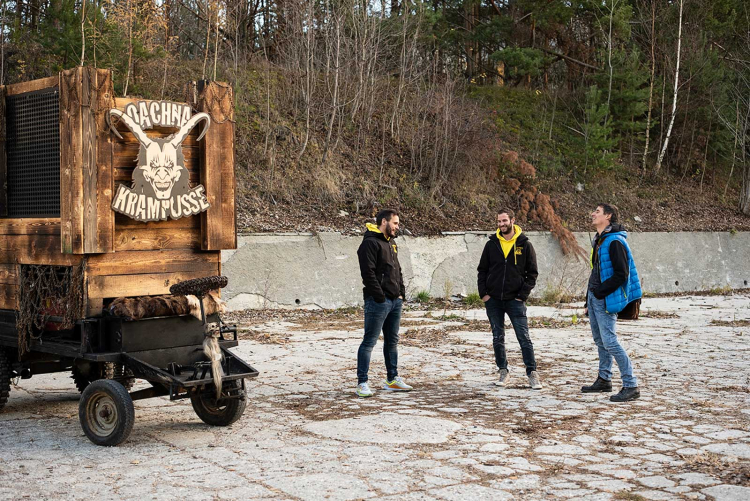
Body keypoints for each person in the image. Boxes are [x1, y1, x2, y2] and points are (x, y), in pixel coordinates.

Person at [582, 203, 642, 402]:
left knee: (610, 341)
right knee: (600, 340)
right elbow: (596, 271)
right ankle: (604, 379)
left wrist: (600, 292)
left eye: (597, 212)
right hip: (594, 296)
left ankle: (631, 384)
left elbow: (621, 274)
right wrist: (588, 299)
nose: (593, 214)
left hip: (604, 297)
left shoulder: (614, 241)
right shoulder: (600, 240)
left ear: (608, 216)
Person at [477, 208, 542, 390]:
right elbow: (482, 270)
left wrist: (522, 295)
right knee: (498, 337)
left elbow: (533, 273)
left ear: (513, 220)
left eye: (504, 221)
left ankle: (532, 373)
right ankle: (503, 370)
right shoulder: (491, 244)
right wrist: (484, 294)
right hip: (494, 300)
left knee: (524, 338)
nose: (501, 224)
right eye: (499, 221)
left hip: (515, 300)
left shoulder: (525, 244)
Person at [355, 209, 412, 397]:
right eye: (395, 223)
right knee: (369, 342)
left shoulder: (391, 243)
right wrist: (379, 296)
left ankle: (392, 379)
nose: (397, 226)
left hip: (395, 301)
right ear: (384, 222)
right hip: (378, 301)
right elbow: (368, 274)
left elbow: (398, 270)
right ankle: (362, 383)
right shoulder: (369, 243)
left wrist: (401, 293)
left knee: (392, 341)